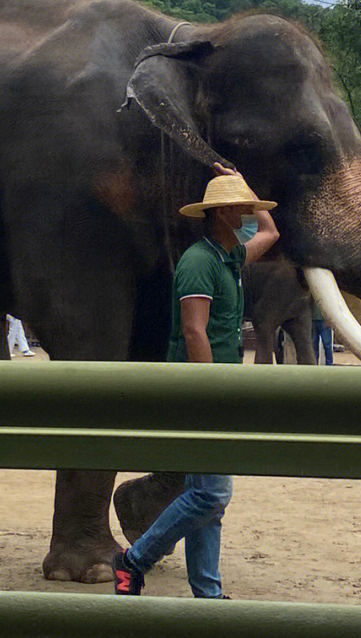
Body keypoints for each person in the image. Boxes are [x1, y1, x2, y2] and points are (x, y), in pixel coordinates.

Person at [113, 163, 278, 598]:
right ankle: (134, 560)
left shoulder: (229, 257)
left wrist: (244, 181)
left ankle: (207, 592)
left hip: (215, 388)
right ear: (223, 215)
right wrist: (209, 391)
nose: (249, 214)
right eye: (242, 208)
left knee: (208, 496)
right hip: (202, 391)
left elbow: (271, 233)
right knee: (211, 494)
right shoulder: (199, 263)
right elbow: (193, 330)